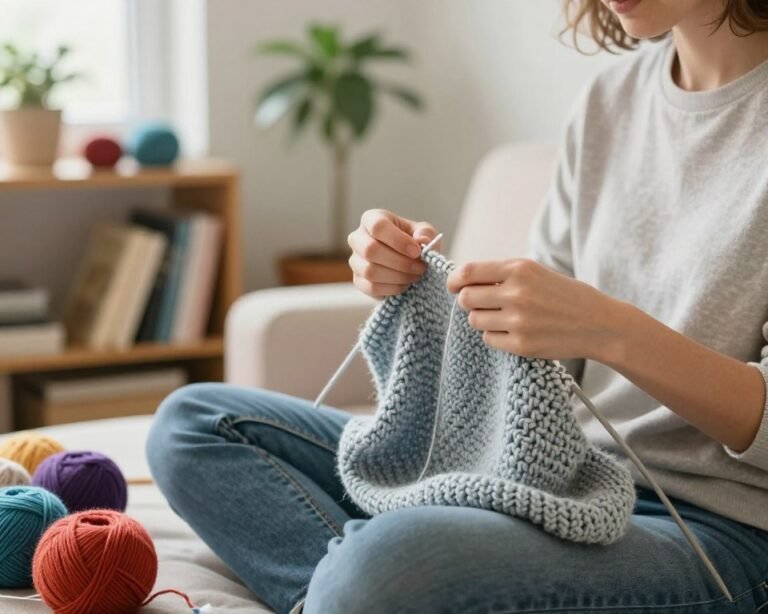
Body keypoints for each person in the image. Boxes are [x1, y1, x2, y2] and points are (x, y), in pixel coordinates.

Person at [147, 0, 768, 612]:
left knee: (389, 565)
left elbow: (592, 325)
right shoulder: (612, 100)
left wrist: (610, 330)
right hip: (561, 475)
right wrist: (413, 277)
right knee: (193, 422)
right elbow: (539, 351)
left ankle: (361, 589)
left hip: (718, 532)